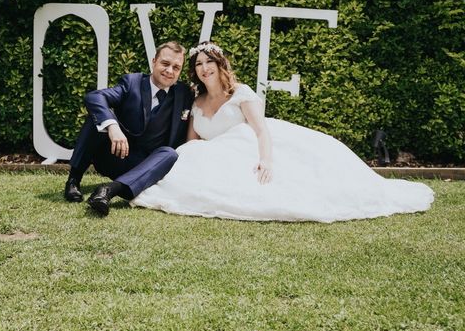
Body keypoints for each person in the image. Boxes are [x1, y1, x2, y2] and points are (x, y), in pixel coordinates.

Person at [131, 42, 434, 222]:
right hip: (214, 157)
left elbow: (261, 131)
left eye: (209, 62)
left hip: (246, 150)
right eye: (198, 64)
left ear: (221, 65)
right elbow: (191, 143)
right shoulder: (195, 102)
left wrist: (266, 160)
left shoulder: (241, 93)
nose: (204, 68)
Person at [64, 41, 194, 216]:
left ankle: (108, 191)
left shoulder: (185, 93)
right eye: (165, 63)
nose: (170, 71)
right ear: (154, 61)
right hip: (113, 155)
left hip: (144, 165)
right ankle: (73, 180)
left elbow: (214, 94)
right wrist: (113, 127)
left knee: (170, 153)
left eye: (176, 67)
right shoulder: (132, 82)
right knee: (98, 118)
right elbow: (95, 97)